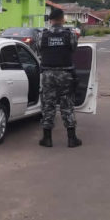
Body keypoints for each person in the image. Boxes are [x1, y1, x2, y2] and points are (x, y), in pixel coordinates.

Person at [38, 9, 82, 148]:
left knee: (48, 105)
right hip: (65, 74)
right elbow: (73, 49)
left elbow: (39, 50)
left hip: (48, 74)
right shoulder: (70, 34)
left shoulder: (42, 35)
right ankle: (72, 139)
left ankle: (47, 139)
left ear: (50, 20)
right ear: (62, 19)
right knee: (67, 105)